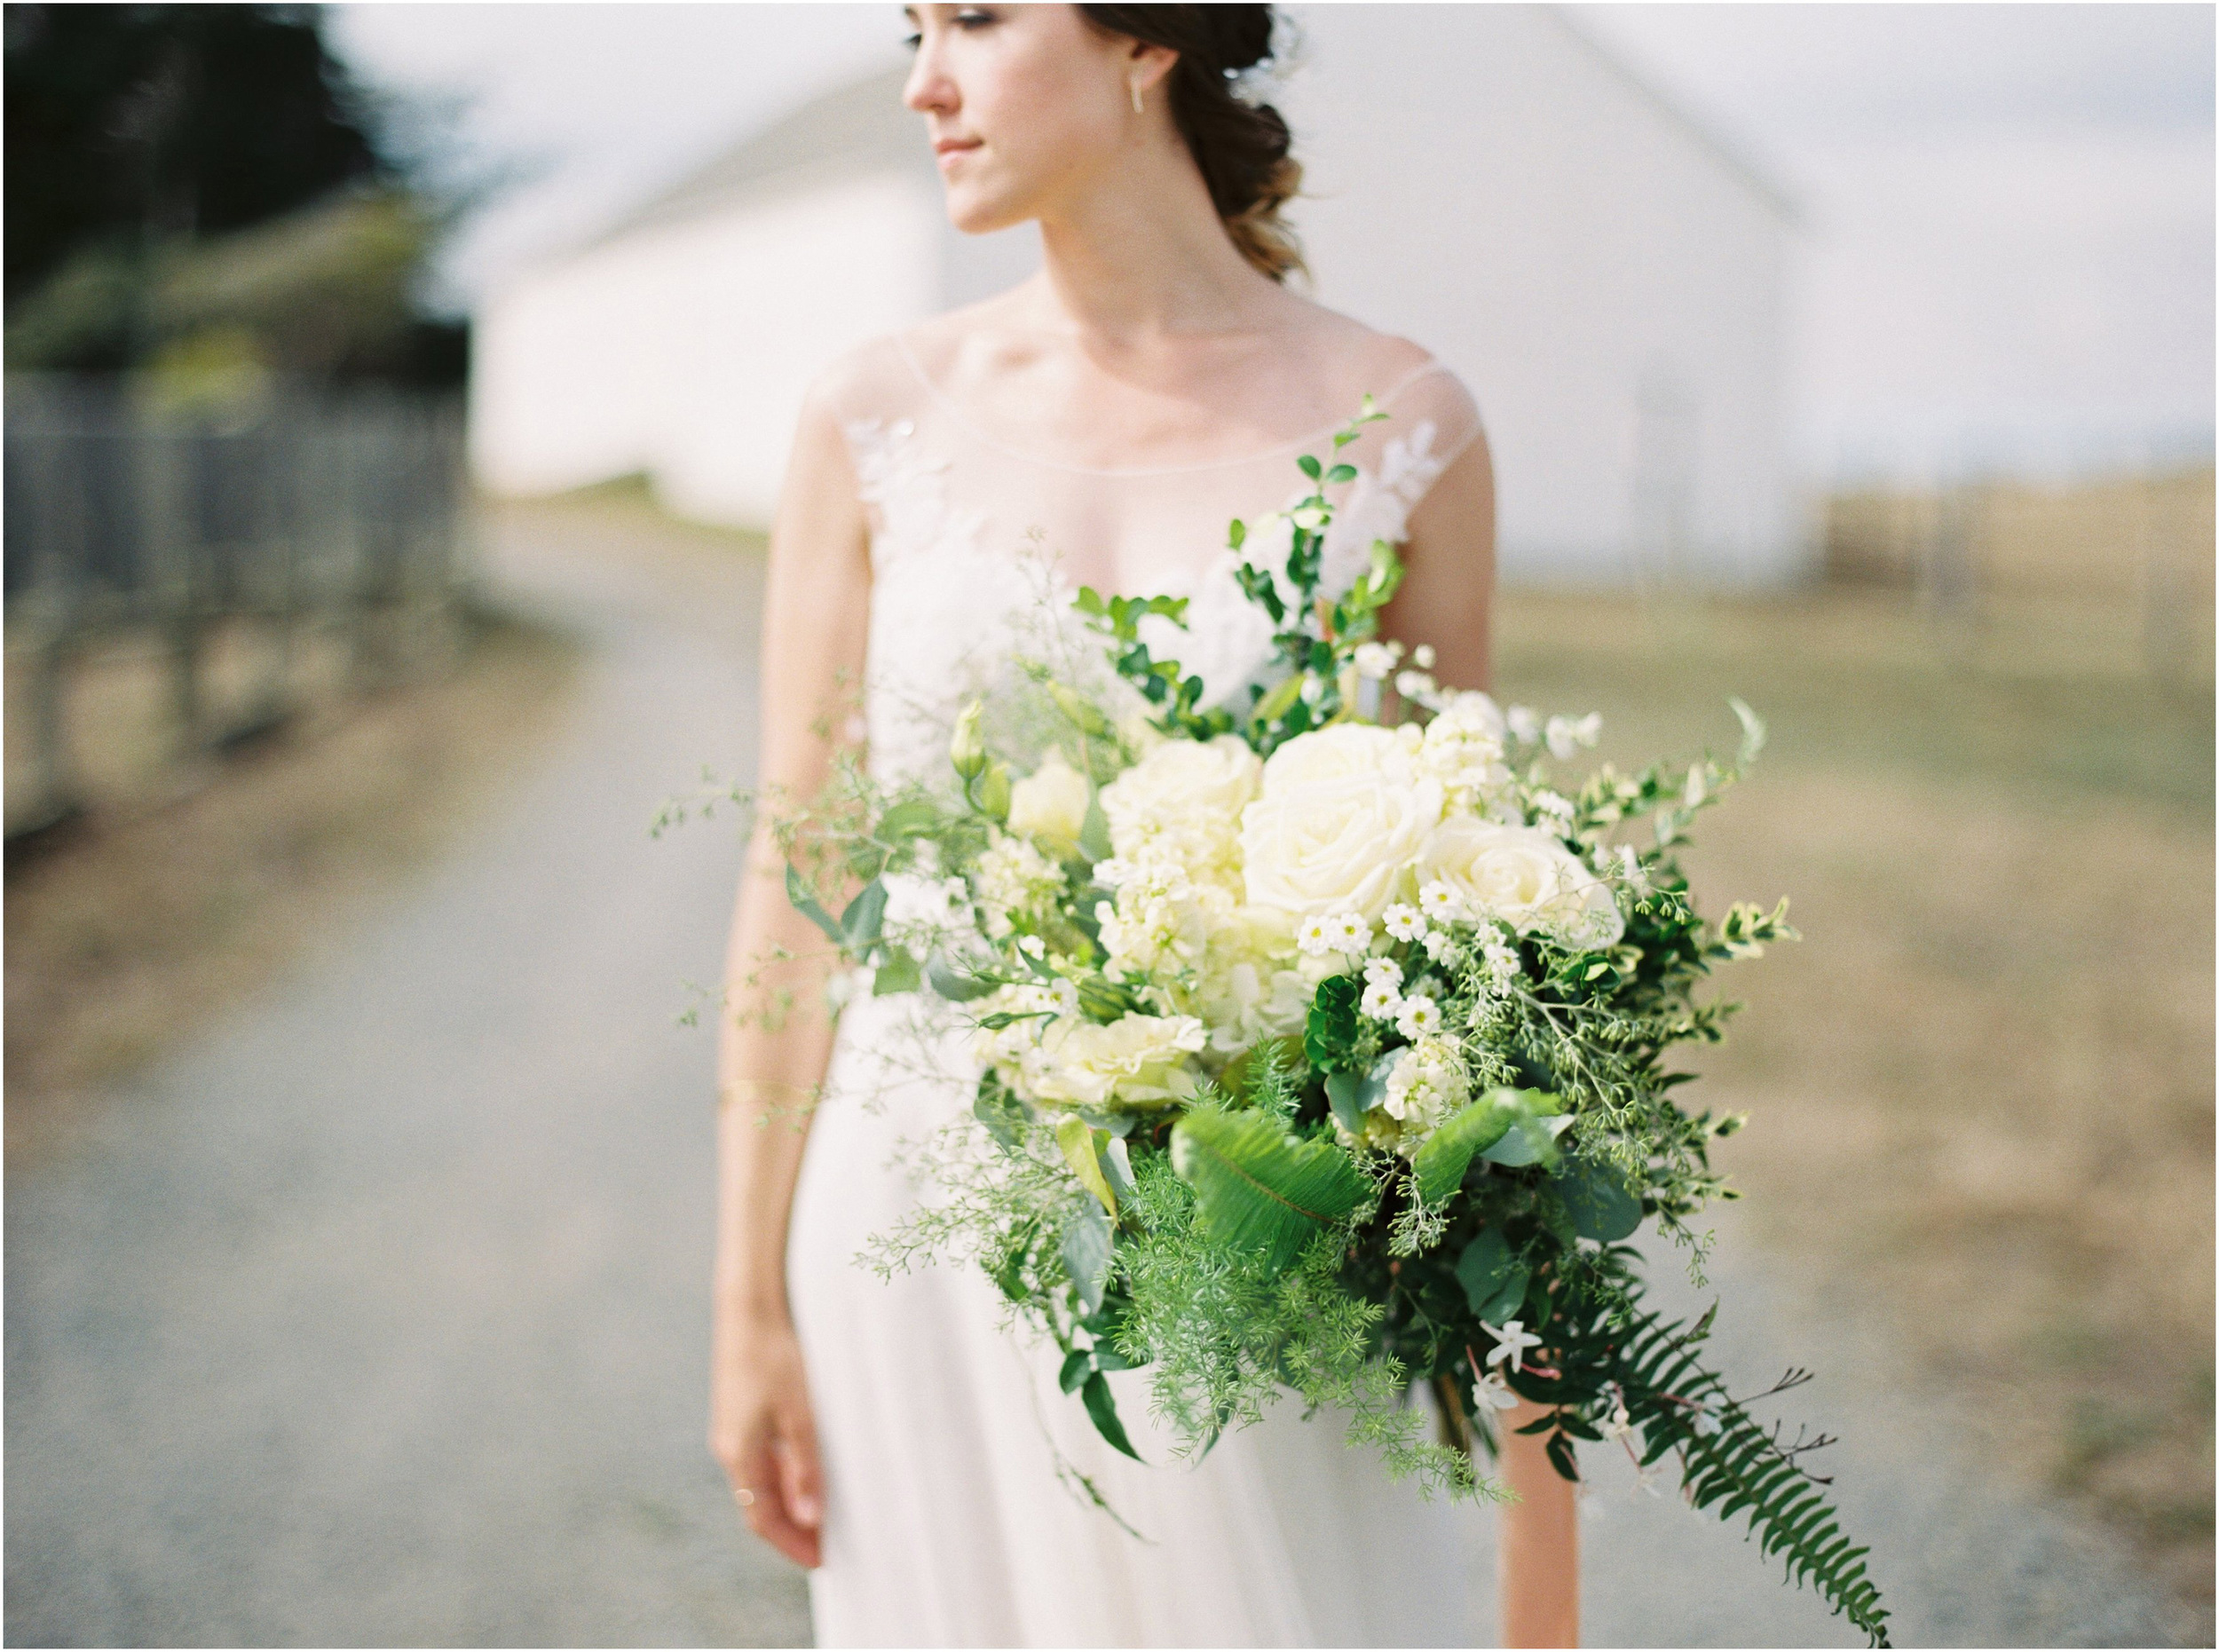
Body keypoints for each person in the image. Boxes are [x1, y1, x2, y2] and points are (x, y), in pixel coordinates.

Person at [709, 4, 1579, 1644]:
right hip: (913, 1222)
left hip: (1255, 1241)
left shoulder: (1406, 423)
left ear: (1146, 40)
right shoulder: (870, 416)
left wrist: (1540, 1477)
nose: (923, 82)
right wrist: (744, 1296)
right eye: (910, 29)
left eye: (972, 16)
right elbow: (800, 864)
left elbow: (1486, 943)